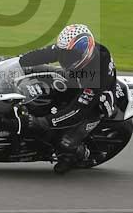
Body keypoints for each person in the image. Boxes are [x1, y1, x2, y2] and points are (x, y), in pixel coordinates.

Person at [18, 24, 118, 173]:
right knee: (35, 72)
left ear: (84, 53)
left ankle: (77, 155)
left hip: (97, 101)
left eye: (69, 56)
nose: (64, 58)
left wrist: (43, 122)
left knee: (64, 143)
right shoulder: (70, 48)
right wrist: (15, 62)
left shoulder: (97, 70)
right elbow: (41, 54)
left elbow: (78, 110)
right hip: (77, 79)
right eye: (64, 53)